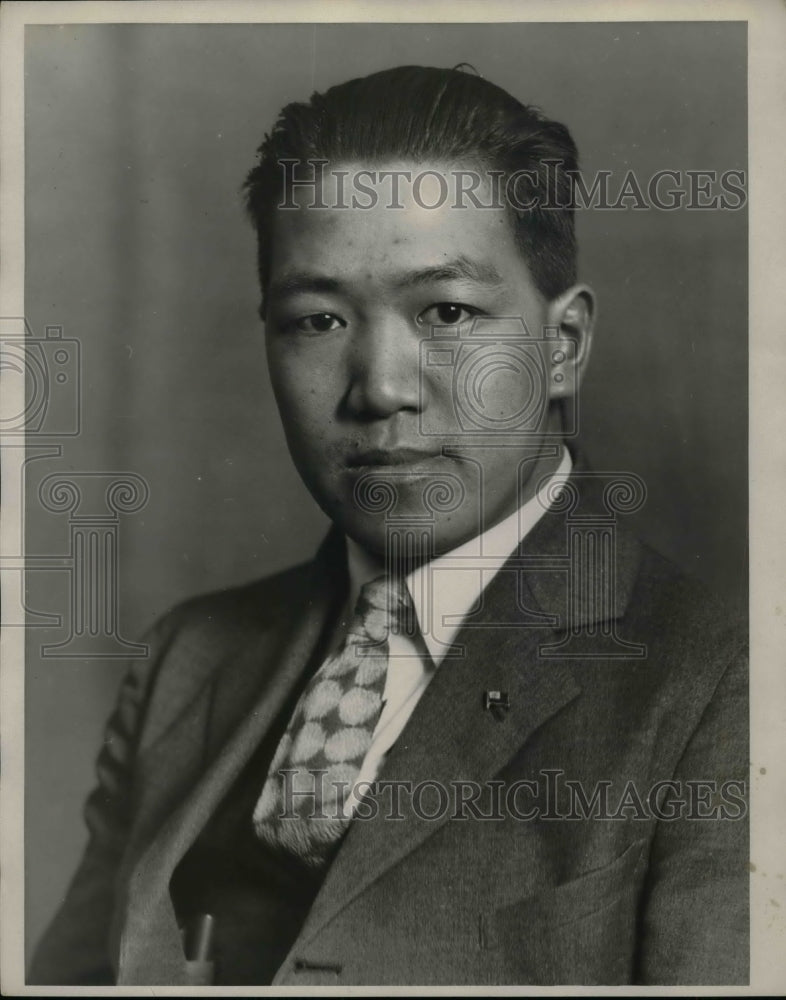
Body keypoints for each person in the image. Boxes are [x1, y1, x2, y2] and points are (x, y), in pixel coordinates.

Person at [29, 65, 748, 987]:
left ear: (562, 346)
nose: (380, 387)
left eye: (447, 312)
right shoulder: (187, 658)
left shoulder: (724, 687)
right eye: (318, 320)